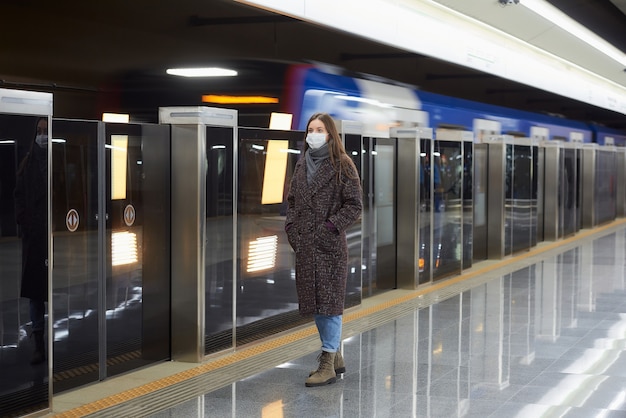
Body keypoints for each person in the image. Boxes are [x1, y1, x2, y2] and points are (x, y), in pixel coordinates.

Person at [284, 112, 362, 387]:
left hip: (329, 247)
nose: (313, 134)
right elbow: (292, 201)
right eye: (310, 129)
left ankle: (327, 362)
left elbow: (354, 205)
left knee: (329, 304)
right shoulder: (301, 165)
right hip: (305, 245)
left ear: (330, 134)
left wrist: (329, 227)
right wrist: (292, 228)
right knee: (316, 304)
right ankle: (335, 354)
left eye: (319, 129)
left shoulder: (343, 165)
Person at [14, 117, 49, 365]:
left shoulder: (56, 162)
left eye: (46, 131)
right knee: (36, 292)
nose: (42, 136)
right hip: (34, 237)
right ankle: (39, 342)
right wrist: (26, 223)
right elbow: (18, 197)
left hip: (52, 236)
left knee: (48, 289)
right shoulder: (27, 164)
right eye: (39, 131)